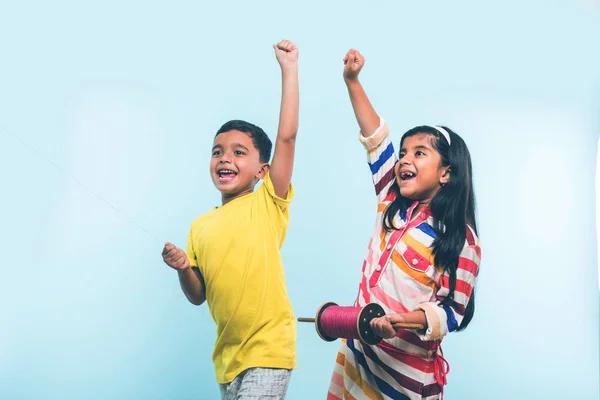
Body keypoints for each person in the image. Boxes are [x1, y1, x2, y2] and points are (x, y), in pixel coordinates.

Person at [327, 48, 481, 400]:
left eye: (419, 153)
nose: (404, 160)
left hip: (406, 380)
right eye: (403, 154)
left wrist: (404, 321)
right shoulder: (390, 201)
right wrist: (352, 81)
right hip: (358, 359)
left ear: (446, 173)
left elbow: (451, 312)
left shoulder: (461, 240)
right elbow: (376, 139)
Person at [162, 39, 300, 400]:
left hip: (268, 349)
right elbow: (198, 296)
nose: (226, 159)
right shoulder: (200, 226)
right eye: (217, 152)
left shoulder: (267, 203)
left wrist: (289, 69)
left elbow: (287, 137)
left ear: (262, 170)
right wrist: (182, 268)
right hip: (226, 358)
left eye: (240, 153)